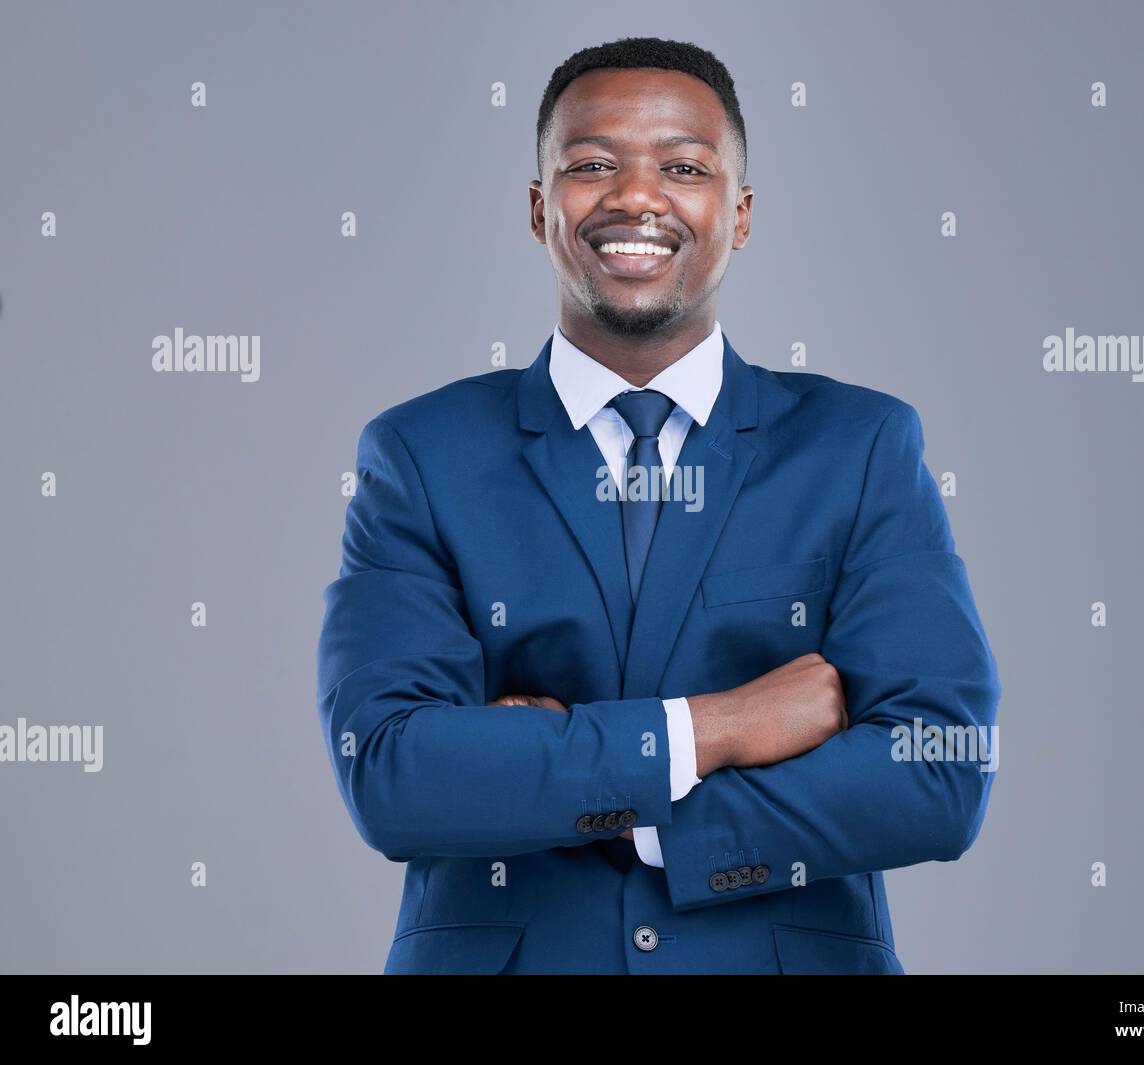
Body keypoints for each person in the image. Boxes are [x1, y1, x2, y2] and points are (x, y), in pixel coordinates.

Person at [315, 35, 1001, 974]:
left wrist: (576, 786)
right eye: (592, 165)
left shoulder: (860, 447)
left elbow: (939, 768)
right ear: (538, 207)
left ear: (741, 212)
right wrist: (716, 730)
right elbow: (395, 773)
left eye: (683, 167)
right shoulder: (421, 455)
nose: (636, 197)